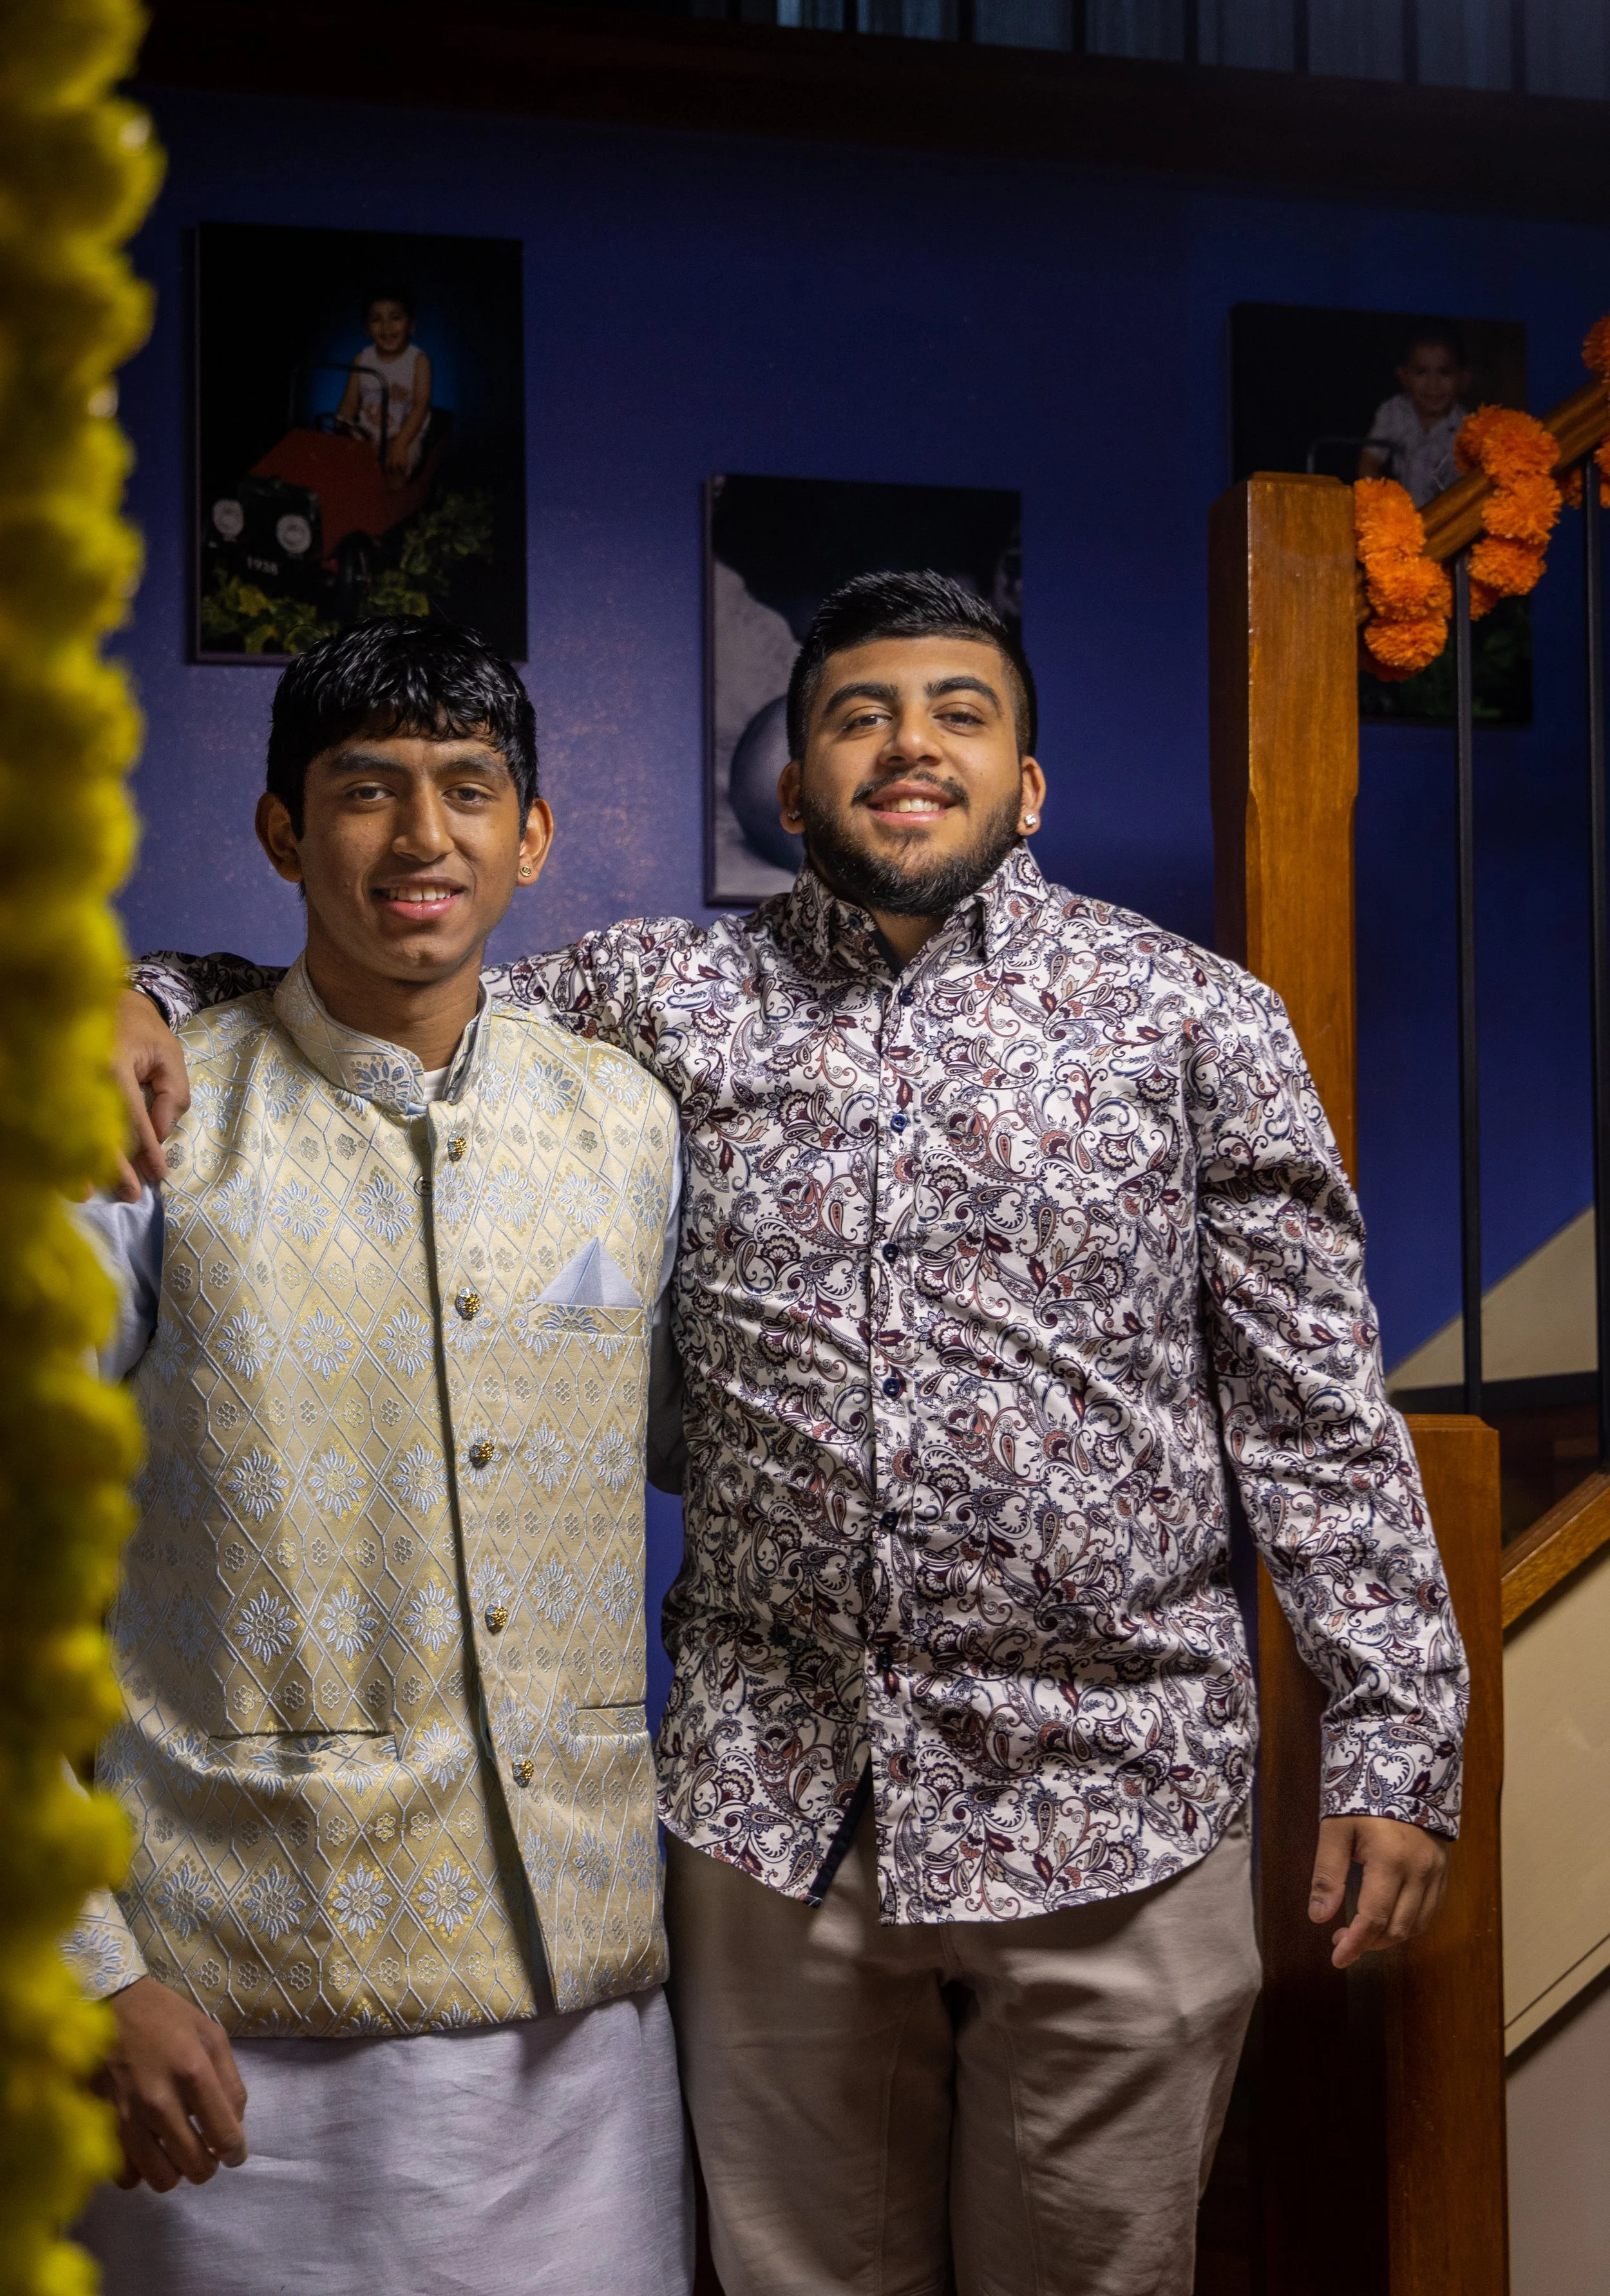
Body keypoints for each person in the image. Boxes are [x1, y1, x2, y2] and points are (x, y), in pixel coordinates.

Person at [116, 571, 1465, 2296]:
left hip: (1116, 1808)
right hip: (775, 1821)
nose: (908, 745)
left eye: (959, 711)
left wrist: (1392, 1735)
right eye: (857, 714)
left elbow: (1317, 1407)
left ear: (1027, 783)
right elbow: (388, 965)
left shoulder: (1196, 1019)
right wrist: (133, 991)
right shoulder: (657, 997)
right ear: (793, 782)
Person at [73, 618, 690, 2295]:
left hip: (581, 2030)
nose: (423, 836)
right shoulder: (145, 1124)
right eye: (366, 792)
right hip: (217, 2028)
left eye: (467, 790)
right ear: (284, 832)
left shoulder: (627, 1122)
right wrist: (85, 1968)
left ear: (532, 833)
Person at [1357, 318, 1472, 508]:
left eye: (1444, 373)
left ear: (1463, 379)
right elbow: (1369, 465)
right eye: (1421, 372)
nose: (1433, 385)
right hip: (1399, 515)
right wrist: (1380, 507)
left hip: (1448, 517)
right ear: (1404, 377)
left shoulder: (1468, 426)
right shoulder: (1393, 412)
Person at [336, 286, 432, 482]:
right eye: (376, 320)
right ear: (367, 329)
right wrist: (339, 430)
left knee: (395, 468)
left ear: (411, 326)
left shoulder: (418, 361)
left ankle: (394, 499)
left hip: (404, 433)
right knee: (340, 464)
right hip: (366, 432)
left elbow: (419, 407)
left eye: (395, 318)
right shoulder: (362, 359)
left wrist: (400, 444)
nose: (386, 328)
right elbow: (349, 403)